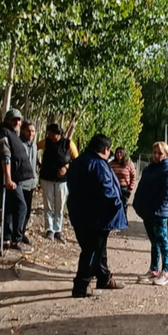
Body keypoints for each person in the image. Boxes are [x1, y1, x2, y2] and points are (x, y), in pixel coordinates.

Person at [67, 134, 127, 297]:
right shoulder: (99, 165)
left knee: (98, 249)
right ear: (105, 149)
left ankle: (104, 277)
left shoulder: (78, 161)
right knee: (92, 251)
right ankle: (81, 285)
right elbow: (107, 190)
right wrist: (118, 205)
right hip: (97, 218)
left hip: (79, 213)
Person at [0, 108, 34, 253]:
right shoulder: (3, 134)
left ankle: (7, 238)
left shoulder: (13, 134)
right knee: (22, 207)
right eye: (14, 119)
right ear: (7, 120)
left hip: (16, 178)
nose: (17, 122)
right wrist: (8, 179)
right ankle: (16, 240)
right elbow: (5, 157)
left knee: (9, 209)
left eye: (19, 120)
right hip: (10, 179)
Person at [133, 141, 168, 286]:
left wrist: (157, 208)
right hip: (147, 212)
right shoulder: (149, 169)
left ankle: (166, 272)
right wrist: (138, 205)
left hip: (159, 213)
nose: (156, 155)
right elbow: (141, 188)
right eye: (155, 152)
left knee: (163, 242)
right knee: (154, 242)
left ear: (166, 154)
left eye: (160, 153)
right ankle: (154, 270)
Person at [37, 123, 79, 243]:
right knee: (48, 204)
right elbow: (34, 147)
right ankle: (50, 229)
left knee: (60, 205)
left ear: (58, 134)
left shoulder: (68, 144)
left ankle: (58, 230)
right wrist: (38, 163)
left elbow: (76, 160)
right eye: (48, 134)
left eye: (51, 134)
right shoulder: (46, 142)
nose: (49, 136)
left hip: (62, 180)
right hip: (46, 177)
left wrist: (66, 167)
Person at [18, 121, 37, 245]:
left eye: (33, 131)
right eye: (28, 131)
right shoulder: (18, 144)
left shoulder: (34, 145)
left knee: (27, 211)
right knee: (20, 210)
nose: (30, 133)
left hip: (31, 183)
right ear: (23, 131)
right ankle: (16, 235)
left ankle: (22, 233)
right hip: (20, 182)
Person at [108, 147, 137, 214]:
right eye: (117, 152)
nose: (119, 154)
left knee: (124, 205)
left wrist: (130, 188)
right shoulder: (111, 164)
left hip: (124, 188)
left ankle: (124, 221)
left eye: (120, 152)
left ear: (124, 154)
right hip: (114, 188)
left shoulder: (128, 164)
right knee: (114, 205)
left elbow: (133, 176)